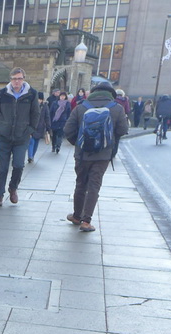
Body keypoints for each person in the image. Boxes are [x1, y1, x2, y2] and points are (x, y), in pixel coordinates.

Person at [63, 81, 128, 233]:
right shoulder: (117, 109)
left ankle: (77, 216)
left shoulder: (81, 107)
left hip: (82, 154)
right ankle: (86, 221)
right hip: (103, 155)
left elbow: (68, 130)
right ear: (110, 94)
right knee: (94, 185)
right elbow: (123, 129)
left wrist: (79, 143)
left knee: (80, 183)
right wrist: (108, 140)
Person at [0, 67, 39, 206]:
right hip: (3, 136)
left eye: (19, 79)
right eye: (14, 79)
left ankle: (13, 188)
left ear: (23, 79)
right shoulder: (2, 94)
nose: (17, 82)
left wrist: (30, 130)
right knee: (3, 167)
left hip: (21, 137)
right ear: (10, 79)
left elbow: (35, 114)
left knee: (18, 165)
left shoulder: (31, 94)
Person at [28, 91, 50, 162]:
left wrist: (48, 128)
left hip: (40, 127)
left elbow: (47, 117)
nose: (39, 101)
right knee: (31, 141)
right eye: (38, 99)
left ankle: (32, 155)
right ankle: (30, 156)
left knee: (36, 142)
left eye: (40, 99)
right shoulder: (31, 105)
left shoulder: (45, 106)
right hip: (32, 126)